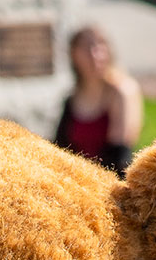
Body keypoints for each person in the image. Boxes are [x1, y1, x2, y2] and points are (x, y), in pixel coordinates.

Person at [53, 24, 140, 174]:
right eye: (87, 47)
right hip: (74, 181)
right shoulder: (72, 98)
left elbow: (118, 157)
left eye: (100, 45)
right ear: (74, 54)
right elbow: (60, 148)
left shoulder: (121, 92)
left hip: (110, 185)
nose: (95, 54)